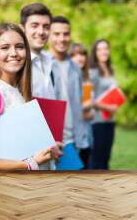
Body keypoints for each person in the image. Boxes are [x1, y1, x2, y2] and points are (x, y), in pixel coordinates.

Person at [0, 23, 62, 172]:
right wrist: (29, 164)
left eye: (19, 47)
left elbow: (21, 143)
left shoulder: (21, 92)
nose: (14, 53)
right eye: (5, 47)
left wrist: (49, 147)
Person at [48, 16, 88, 168]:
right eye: (57, 34)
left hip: (74, 139)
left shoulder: (75, 67)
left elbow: (78, 102)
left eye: (66, 34)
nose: (62, 39)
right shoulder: (41, 65)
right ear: (49, 35)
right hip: (52, 142)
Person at [89, 39, 119, 170]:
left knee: (106, 159)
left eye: (106, 48)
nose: (103, 51)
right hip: (97, 122)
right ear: (95, 52)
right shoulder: (93, 72)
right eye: (100, 49)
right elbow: (87, 99)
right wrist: (107, 107)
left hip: (110, 121)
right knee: (97, 160)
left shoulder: (111, 69)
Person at [20, 3, 56, 99]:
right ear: (22, 28)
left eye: (46, 27)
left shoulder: (50, 61)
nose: (41, 32)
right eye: (34, 26)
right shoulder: (17, 63)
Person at [69, 43, 94, 169]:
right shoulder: (65, 78)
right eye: (75, 54)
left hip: (86, 135)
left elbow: (88, 113)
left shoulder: (87, 80)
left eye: (83, 54)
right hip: (69, 136)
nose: (80, 57)